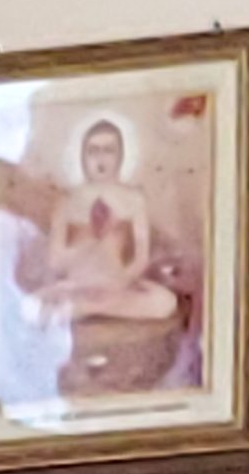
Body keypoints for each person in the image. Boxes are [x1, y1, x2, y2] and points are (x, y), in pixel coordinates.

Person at [29, 118, 178, 324]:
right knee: (30, 307)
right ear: (82, 157)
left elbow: (140, 258)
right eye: (93, 151)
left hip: (118, 286)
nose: (101, 159)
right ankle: (89, 306)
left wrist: (120, 281)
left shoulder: (134, 199)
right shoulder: (67, 201)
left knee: (165, 302)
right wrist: (88, 249)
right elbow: (55, 261)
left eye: (108, 150)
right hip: (77, 286)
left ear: (120, 156)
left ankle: (90, 308)